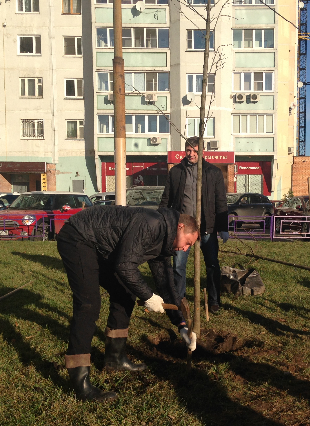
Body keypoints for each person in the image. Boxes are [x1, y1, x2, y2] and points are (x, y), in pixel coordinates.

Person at [57, 205, 198, 402]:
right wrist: (148, 296)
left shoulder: (164, 242)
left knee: (125, 293)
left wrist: (181, 325)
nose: (185, 249)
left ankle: (115, 359)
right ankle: (79, 382)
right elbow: (125, 265)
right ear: (180, 227)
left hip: (100, 246)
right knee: (88, 305)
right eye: (188, 243)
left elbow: (166, 285)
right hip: (78, 236)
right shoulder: (151, 223)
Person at [160, 136, 229, 312]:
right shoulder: (176, 172)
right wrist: (164, 222)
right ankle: (179, 299)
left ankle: (214, 300)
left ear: (202, 152)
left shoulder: (213, 173)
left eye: (195, 151)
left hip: (207, 227)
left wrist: (223, 228)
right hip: (183, 229)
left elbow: (221, 201)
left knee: (212, 264)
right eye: (188, 151)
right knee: (178, 266)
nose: (191, 154)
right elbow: (166, 199)